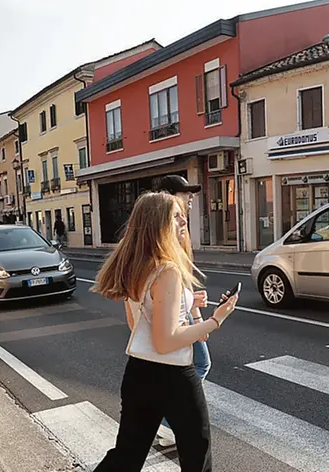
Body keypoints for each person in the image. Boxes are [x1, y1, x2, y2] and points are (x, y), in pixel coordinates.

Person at [92, 191, 238, 472]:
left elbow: (139, 325)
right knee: (197, 452)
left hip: (138, 373)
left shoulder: (137, 266)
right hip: (173, 376)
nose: (184, 219)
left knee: (127, 455)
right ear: (158, 223)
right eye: (176, 215)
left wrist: (189, 308)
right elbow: (165, 340)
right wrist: (217, 319)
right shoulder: (167, 271)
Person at [155, 175, 208, 447]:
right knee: (198, 364)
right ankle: (166, 422)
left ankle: (167, 423)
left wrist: (195, 312)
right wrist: (205, 322)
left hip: (182, 311)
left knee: (197, 364)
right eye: (185, 194)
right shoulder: (162, 237)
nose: (190, 199)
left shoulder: (181, 232)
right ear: (168, 196)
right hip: (172, 316)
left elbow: (185, 281)